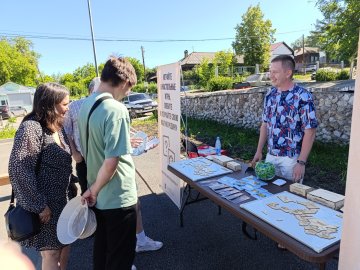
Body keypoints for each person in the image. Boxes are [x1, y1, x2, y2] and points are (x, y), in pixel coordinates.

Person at [65, 77, 163, 253]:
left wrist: (131, 143)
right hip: (92, 164)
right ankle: (113, 251)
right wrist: (77, 155)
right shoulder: (88, 108)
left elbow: (115, 141)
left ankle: (137, 241)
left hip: (105, 165)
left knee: (131, 206)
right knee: (107, 211)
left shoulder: (96, 108)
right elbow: (66, 132)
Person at [78, 57, 139, 270]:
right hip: (117, 196)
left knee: (102, 251)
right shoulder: (115, 109)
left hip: (99, 193)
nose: (128, 93)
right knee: (120, 258)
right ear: (123, 82)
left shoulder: (87, 105)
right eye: (129, 88)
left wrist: (92, 189)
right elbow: (112, 162)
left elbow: (97, 145)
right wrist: (93, 190)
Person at [8, 83, 73, 270]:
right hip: (45, 208)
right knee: (51, 253)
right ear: (50, 104)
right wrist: (39, 205)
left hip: (63, 203)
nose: (68, 108)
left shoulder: (57, 128)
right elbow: (19, 169)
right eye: (64, 104)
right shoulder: (31, 128)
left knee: (64, 247)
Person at [252, 55, 317, 183]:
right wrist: (259, 151)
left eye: (275, 72)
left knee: (292, 197)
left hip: (291, 160)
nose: (270, 75)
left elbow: (310, 131)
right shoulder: (270, 95)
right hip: (271, 156)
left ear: (288, 73)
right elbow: (265, 125)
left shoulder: (303, 96)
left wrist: (301, 162)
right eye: (270, 71)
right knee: (268, 193)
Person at [64, 77, 100, 195]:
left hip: (104, 159)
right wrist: (75, 153)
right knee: (86, 192)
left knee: (105, 194)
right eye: (96, 91)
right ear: (89, 91)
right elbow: (66, 131)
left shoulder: (107, 106)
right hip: (83, 160)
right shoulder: (74, 106)